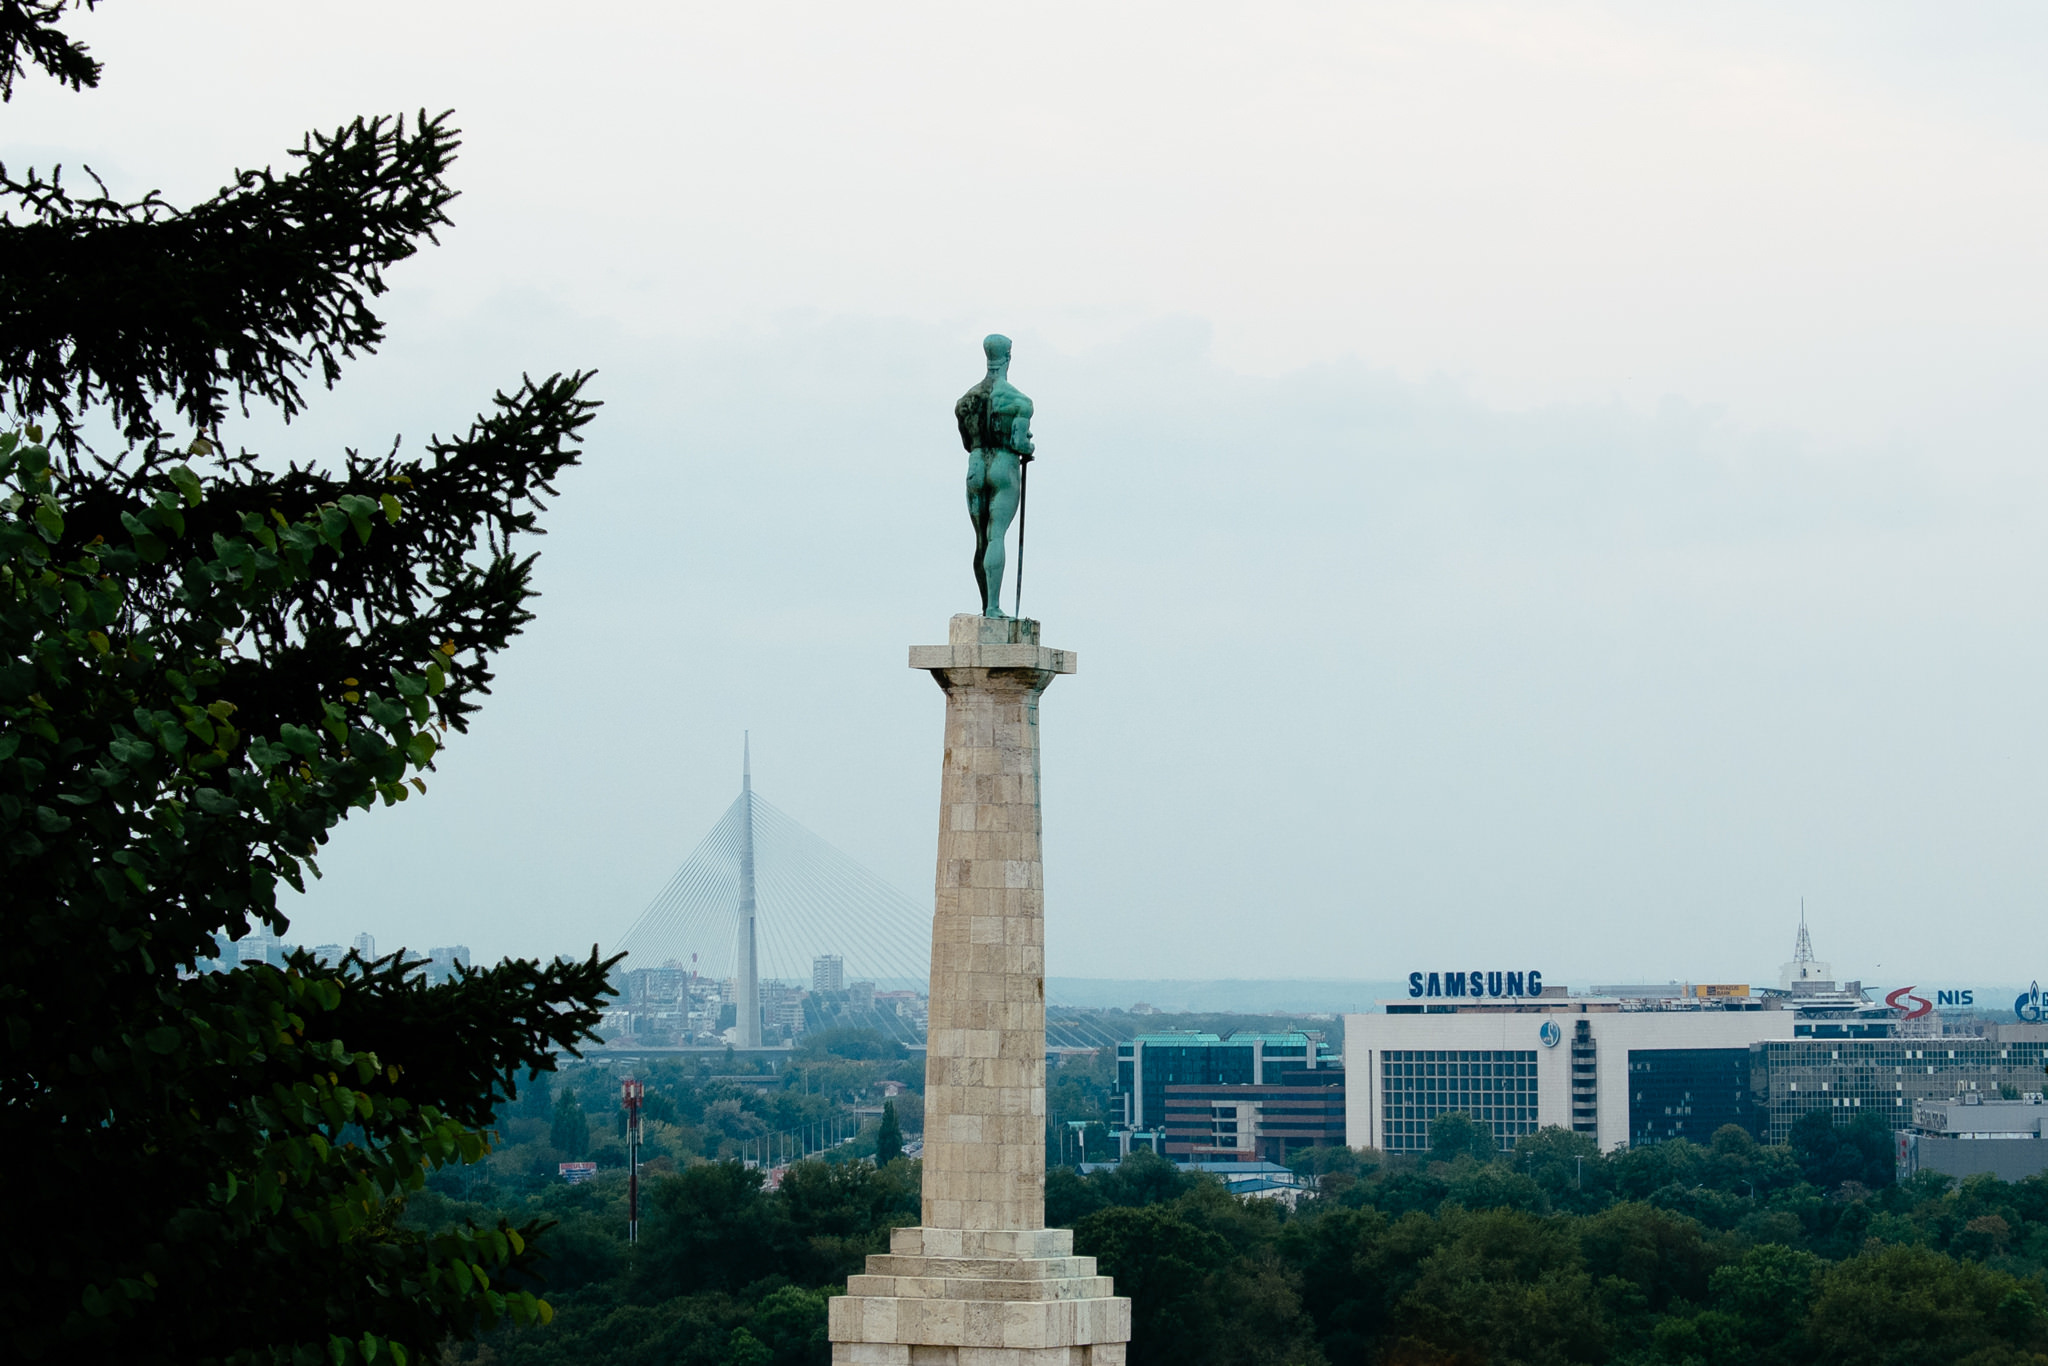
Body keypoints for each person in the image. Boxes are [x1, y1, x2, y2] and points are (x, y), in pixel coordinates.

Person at [954, 334, 1035, 617]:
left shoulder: (965, 402)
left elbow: (967, 443)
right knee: (996, 535)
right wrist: (1029, 446)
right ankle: (993, 607)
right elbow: (1019, 443)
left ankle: (986, 604)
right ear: (1009, 356)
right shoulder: (1018, 401)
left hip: (975, 465)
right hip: (1002, 465)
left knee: (980, 540)